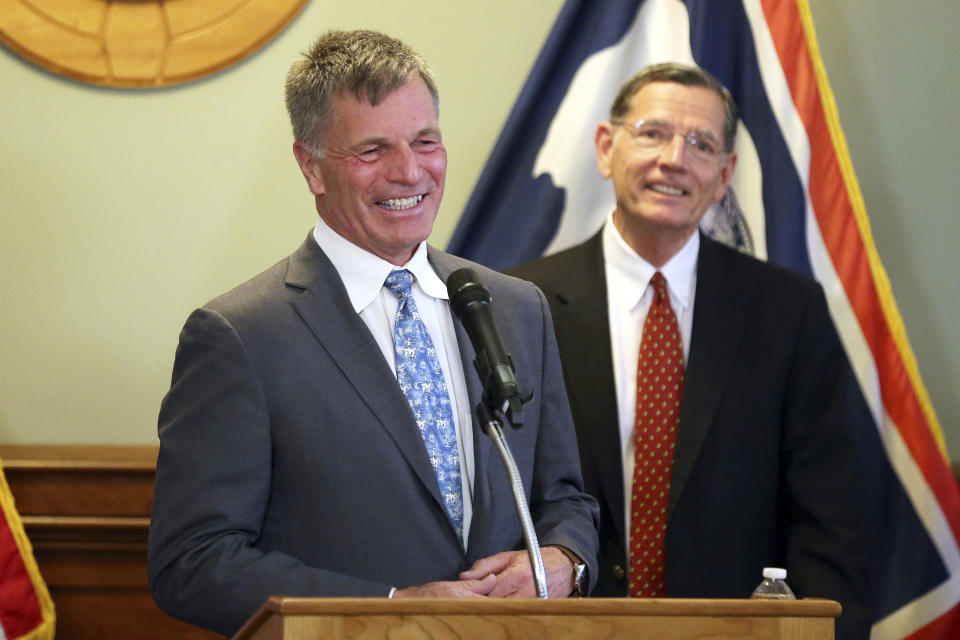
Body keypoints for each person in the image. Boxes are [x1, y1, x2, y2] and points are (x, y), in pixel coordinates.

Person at [148, 29, 599, 637]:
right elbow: (193, 562)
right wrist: (393, 606)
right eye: (372, 150)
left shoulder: (514, 307)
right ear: (311, 166)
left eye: (425, 141)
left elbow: (566, 499)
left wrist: (562, 560)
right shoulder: (238, 336)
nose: (410, 171)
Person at [511, 63, 872, 639]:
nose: (674, 159)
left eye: (701, 144)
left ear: (724, 174)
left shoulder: (788, 311)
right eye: (652, 133)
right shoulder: (519, 305)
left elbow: (835, 522)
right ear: (607, 148)